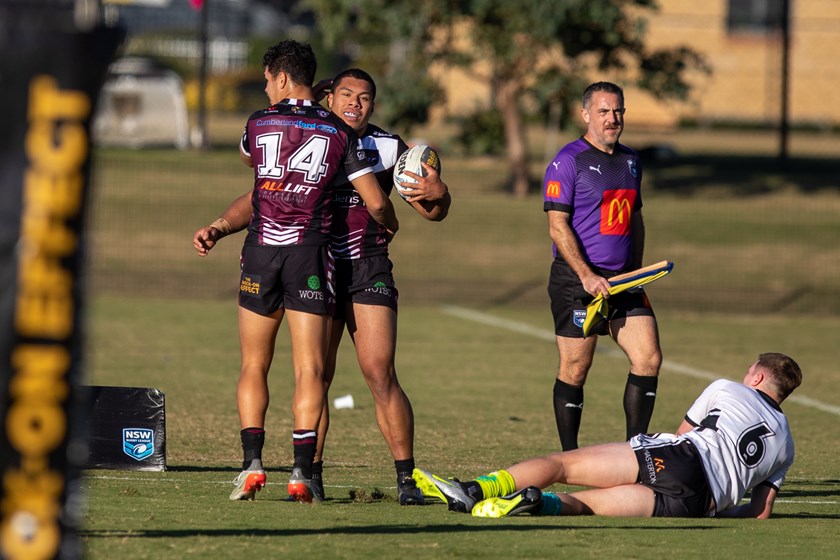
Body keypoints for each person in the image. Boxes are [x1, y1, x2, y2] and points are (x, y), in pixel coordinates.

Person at [192, 41, 399, 503]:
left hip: (261, 250)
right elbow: (378, 201)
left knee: (253, 364)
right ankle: (302, 472)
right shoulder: (338, 130)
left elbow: (254, 163)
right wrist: (390, 224)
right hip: (310, 255)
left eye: (267, 79)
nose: (266, 87)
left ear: (281, 77)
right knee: (310, 367)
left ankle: (251, 464)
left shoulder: (258, 122)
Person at [413, 352, 802, 519]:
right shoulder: (787, 445)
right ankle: (536, 503)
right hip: (699, 504)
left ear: (758, 377)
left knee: (562, 464)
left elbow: (683, 434)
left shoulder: (727, 388)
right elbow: (759, 512)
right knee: (587, 506)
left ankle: (476, 490)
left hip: (680, 459)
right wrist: (719, 509)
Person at [312, 68, 451, 505]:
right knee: (317, 374)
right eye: (347, 94)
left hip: (369, 267)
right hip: (315, 265)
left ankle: (406, 480)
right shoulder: (311, 137)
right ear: (330, 98)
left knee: (380, 373)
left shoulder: (389, 146)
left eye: (365, 97)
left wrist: (438, 191)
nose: (355, 103)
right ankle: (309, 475)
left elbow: (433, 211)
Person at [543, 81, 661, 450]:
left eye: (618, 111)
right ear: (585, 115)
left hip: (623, 281)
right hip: (577, 280)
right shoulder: (568, 161)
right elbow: (557, 225)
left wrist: (636, 273)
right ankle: (570, 457)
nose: (613, 119)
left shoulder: (630, 161)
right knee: (576, 369)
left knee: (649, 358)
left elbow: (635, 219)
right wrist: (587, 275)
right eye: (604, 112)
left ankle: (635, 452)